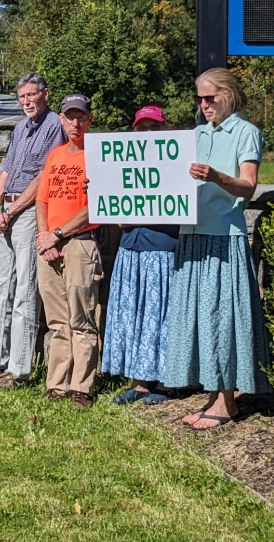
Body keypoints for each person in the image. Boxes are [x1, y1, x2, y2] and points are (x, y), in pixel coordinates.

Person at [165, 68, 271, 429]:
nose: (204, 105)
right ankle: (213, 396)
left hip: (224, 237)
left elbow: (248, 186)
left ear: (229, 95)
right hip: (191, 233)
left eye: (211, 97)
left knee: (223, 316)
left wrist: (214, 176)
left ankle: (227, 402)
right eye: (200, 98)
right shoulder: (193, 135)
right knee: (198, 316)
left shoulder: (246, 132)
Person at [0, 73, 66, 389]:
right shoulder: (21, 127)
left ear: (45, 94)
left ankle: (18, 370)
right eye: (21, 96)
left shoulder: (54, 127)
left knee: (25, 289)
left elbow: (43, 178)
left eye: (31, 95)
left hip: (27, 213)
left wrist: (11, 210)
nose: (26, 101)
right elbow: (7, 171)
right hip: (6, 212)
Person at [101, 106, 179, 405]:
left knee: (160, 316)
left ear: (164, 129)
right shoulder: (124, 166)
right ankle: (139, 381)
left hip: (161, 249)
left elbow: (176, 210)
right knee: (131, 314)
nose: (147, 134)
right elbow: (121, 219)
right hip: (129, 248)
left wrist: (137, 213)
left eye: (153, 128)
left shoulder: (176, 163)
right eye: (141, 128)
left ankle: (164, 382)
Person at [34, 95, 103, 408]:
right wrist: (44, 235)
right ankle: (57, 384)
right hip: (50, 244)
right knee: (58, 321)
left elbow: (96, 208)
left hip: (80, 243)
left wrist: (58, 234)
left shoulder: (98, 156)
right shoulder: (55, 155)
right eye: (69, 117)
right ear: (61, 119)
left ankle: (82, 387)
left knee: (82, 318)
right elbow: (42, 200)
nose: (75, 123)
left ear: (89, 121)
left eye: (81, 118)